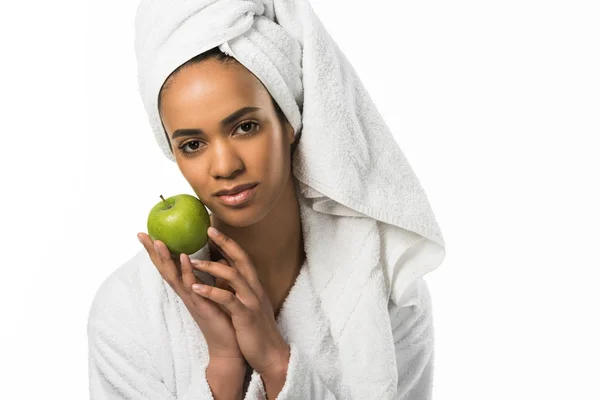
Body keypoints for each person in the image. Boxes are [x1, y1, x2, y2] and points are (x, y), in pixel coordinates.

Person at [87, 1, 447, 399]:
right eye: (192, 144)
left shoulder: (390, 292)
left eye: (245, 127)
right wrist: (225, 365)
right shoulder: (129, 309)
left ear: (288, 121)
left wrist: (276, 362)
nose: (224, 166)